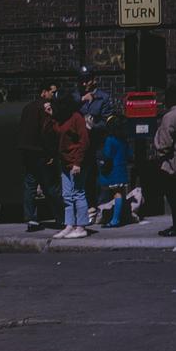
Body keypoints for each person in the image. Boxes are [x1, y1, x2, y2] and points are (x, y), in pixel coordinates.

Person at [18, 80, 64, 232]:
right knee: (51, 187)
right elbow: (47, 132)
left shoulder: (27, 108)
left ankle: (31, 219)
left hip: (27, 152)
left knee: (30, 185)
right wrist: (51, 153)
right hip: (42, 153)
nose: (53, 95)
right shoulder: (45, 108)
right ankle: (61, 218)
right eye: (52, 91)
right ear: (43, 92)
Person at [47, 91, 90, 239]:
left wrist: (78, 162)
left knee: (78, 194)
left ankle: (81, 226)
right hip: (65, 162)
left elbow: (84, 141)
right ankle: (70, 225)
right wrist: (51, 116)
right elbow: (55, 132)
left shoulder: (76, 118)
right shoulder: (60, 119)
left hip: (75, 162)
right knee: (67, 195)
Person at [73, 66, 114, 220]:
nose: (84, 84)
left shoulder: (103, 98)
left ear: (93, 80)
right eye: (81, 80)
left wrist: (93, 126)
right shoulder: (77, 97)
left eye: (87, 80)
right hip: (81, 145)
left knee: (101, 175)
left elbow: (107, 122)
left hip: (98, 143)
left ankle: (101, 210)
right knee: (85, 177)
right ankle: (88, 208)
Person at [153, 84, 176, 236]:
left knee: (175, 200)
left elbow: (164, 145)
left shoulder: (169, 117)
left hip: (173, 166)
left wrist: (155, 140)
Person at [96, 115, 130, 228]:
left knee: (117, 194)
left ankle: (115, 220)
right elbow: (130, 154)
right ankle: (122, 216)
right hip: (122, 169)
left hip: (113, 171)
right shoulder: (124, 140)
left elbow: (107, 155)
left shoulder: (110, 140)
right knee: (121, 193)